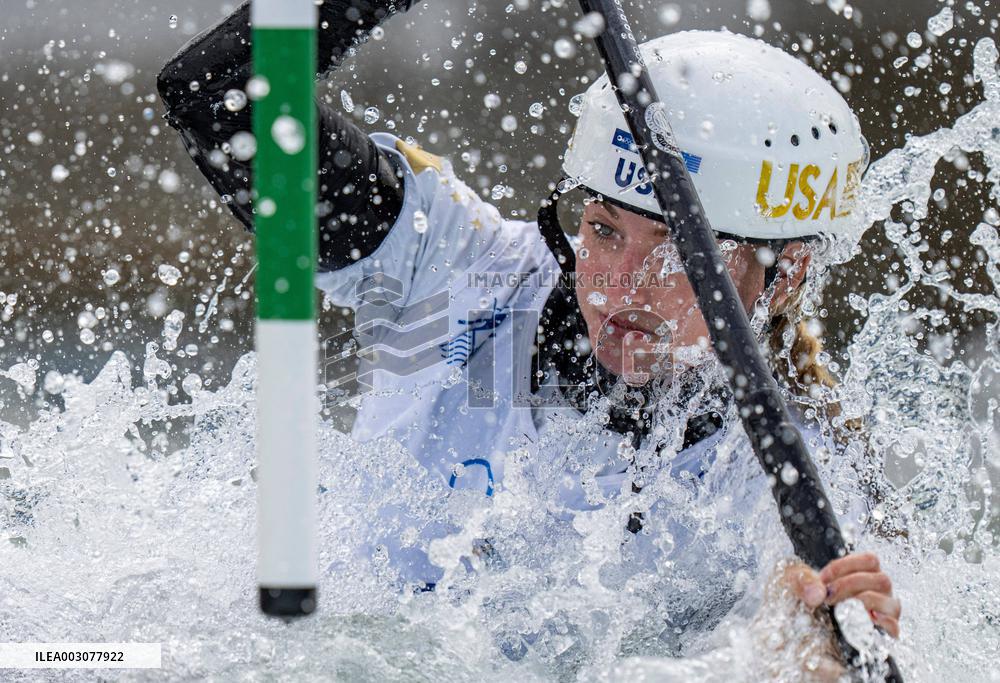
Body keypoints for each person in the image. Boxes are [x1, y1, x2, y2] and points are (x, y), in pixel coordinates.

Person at [158, 0, 901, 657]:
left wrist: (817, 647)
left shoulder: (805, 478)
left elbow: (791, 640)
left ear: (788, 273)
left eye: (677, 253)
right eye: (604, 230)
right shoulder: (452, 268)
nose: (616, 289)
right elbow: (219, 91)